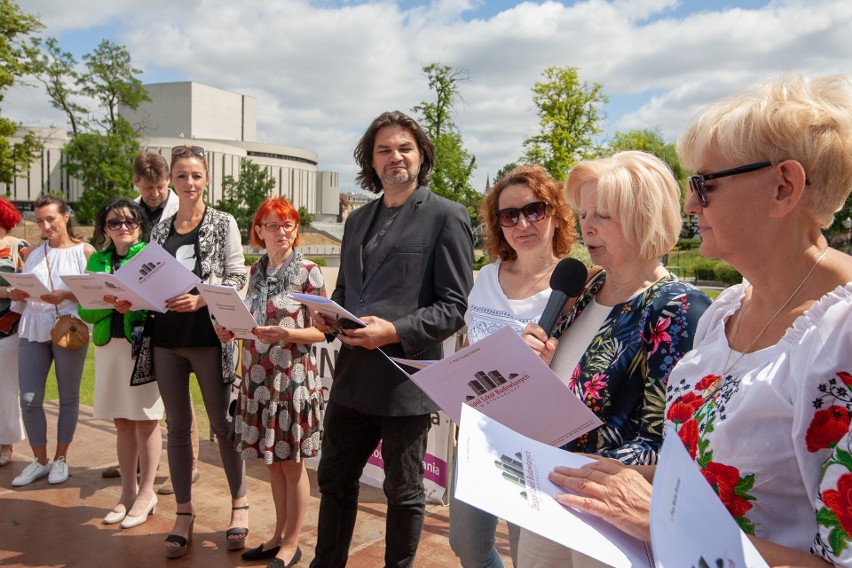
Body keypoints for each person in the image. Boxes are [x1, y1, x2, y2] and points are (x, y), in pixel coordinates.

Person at [545, 74, 852, 567]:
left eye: (705, 185)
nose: (688, 205)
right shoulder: (728, 309)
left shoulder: (841, 338)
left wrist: (664, 522)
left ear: (783, 187)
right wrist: (612, 480)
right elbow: (696, 470)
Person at [519, 151, 711, 566]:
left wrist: (577, 463)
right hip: (548, 486)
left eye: (602, 215)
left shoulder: (677, 307)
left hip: (608, 510)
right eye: (584, 212)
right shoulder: (585, 287)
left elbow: (662, 440)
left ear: (644, 218)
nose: (585, 226)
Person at [309, 110, 474, 568]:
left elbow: (455, 307)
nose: (394, 156)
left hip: (407, 382)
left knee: (403, 491)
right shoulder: (357, 221)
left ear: (421, 155)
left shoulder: (446, 216)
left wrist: (395, 331)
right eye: (384, 149)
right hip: (351, 380)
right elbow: (346, 291)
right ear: (371, 160)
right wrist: (329, 316)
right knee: (334, 480)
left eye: (404, 147)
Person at [449, 165, 577, 568]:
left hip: (535, 444)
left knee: (529, 556)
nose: (522, 223)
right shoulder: (485, 277)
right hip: (479, 432)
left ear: (554, 213)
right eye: (510, 215)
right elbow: (471, 349)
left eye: (534, 210)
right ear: (498, 224)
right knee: (466, 546)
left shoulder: (575, 284)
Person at [132, 144, 248, 558]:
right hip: (166, 338)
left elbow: (238, 275)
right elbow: (151, 275)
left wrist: (201, 297)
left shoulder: (223, 222)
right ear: (173, 180)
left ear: (207, 179)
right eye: (182, 175)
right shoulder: (160, 230)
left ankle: (239, 504)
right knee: (178, 427)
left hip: (208, 336)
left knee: (222, 424)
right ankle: (184, 513)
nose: (190, 183)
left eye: (196, 175)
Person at [215, 197, 326, 568]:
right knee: (274, 464)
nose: (283, 232)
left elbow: (326, 332)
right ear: (259, 231)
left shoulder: (309, 271)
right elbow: (252, 323)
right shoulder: (256, 271)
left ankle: (291, 543)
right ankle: (278, 535)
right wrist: (231, 331)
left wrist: (288, 334)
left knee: (292, 464)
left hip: (291, 383)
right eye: (274, 225)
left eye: (289, 224)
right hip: (258, 379)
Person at [100, 150, 199, 494]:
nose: (156, 194)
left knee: (178, 394)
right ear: (136, 183)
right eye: (149, 188)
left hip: (175, 309)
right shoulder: (129, 212)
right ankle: (138, 462)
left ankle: (188, 465)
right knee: (141, 400)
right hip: (139, 314)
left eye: (160, 187)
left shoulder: (178, 210)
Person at [77, 198, 164, 528]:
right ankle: (126, 493)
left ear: (140, 225)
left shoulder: (151, 256)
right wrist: (112, 305)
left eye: (130, 221)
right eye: (115, 222)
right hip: (108, 347)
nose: (123, 227)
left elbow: (160, 302)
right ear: (105, 228)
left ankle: (147, 492)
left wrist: (133, 306)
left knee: (146, 419)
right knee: (122, 421)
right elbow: (86, 309)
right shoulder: (98, 259)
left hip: (141, 347)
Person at [9, 195, 94, 487]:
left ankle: (61, 458)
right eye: (40, 220)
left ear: (66, 217)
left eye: (51, 219)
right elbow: (21, 286)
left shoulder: (84, 252)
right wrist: (17, 293)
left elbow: (95, 296)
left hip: (68, 329)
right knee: (29, 399)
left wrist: (67, 294)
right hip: (33, 325)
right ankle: (40, 460)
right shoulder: (33, 251)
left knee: (69, 396)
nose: (45, 226)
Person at [0, 197, 28, 468]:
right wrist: (6, 291)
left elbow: (31, 283)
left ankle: (6, 444)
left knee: (6, 389)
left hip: (8, 329)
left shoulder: (19, 248)